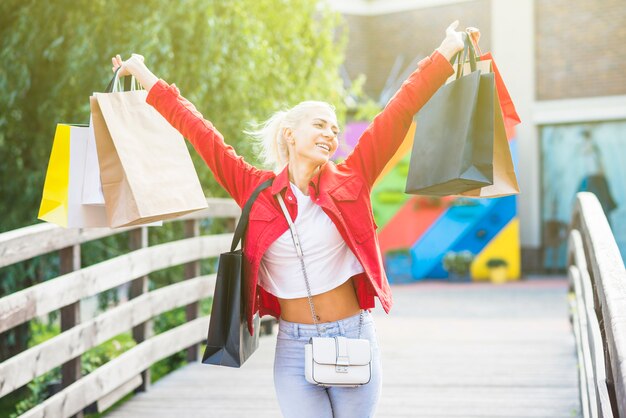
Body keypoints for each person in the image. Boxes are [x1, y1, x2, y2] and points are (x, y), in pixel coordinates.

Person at [113, 20, 466, 418]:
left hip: (353, 334)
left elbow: (399, 111)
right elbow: (199, 132)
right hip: (294, 346)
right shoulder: (255, 189)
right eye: (319, 125)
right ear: (289, 134)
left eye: (334, 130)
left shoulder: (353, 177)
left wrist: (445, 53)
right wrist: (144, 75)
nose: (330, 135)